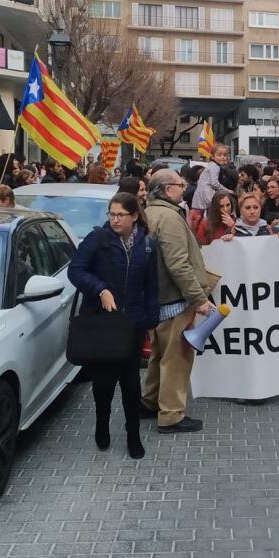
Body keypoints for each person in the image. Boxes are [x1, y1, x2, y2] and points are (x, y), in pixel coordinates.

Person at [68, 192, 159, 459]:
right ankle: (102, 424)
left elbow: (151, 285)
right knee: (104, 383)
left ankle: (133, 436)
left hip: (133, 323)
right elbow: (76, 270)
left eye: (121, 215)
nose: (115, 219)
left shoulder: (147, 243)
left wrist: (152, 320)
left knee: (132, 384)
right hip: (103, 323)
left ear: (134, 216)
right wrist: (100, 289)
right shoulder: (98, 240)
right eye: (112, 214)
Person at [142, 169, 215, 432]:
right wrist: (198, 299)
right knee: (176, 358)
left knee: (159, 355)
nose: (184, 187)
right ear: (165, 189)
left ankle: (150, 402)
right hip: (174, 300)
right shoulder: (169, 218)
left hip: (159, 298)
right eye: (179, 184)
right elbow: (178, 264)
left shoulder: (150, 212)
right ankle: (171, 415)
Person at [189, 143, 233, 232]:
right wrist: (227, 190)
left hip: (201, 196)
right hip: (207, 194)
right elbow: (214, 183)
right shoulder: (215, 167)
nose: (223, 157)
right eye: (219, 155)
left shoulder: (211, 166)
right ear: (213, 156)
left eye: (225, 155)